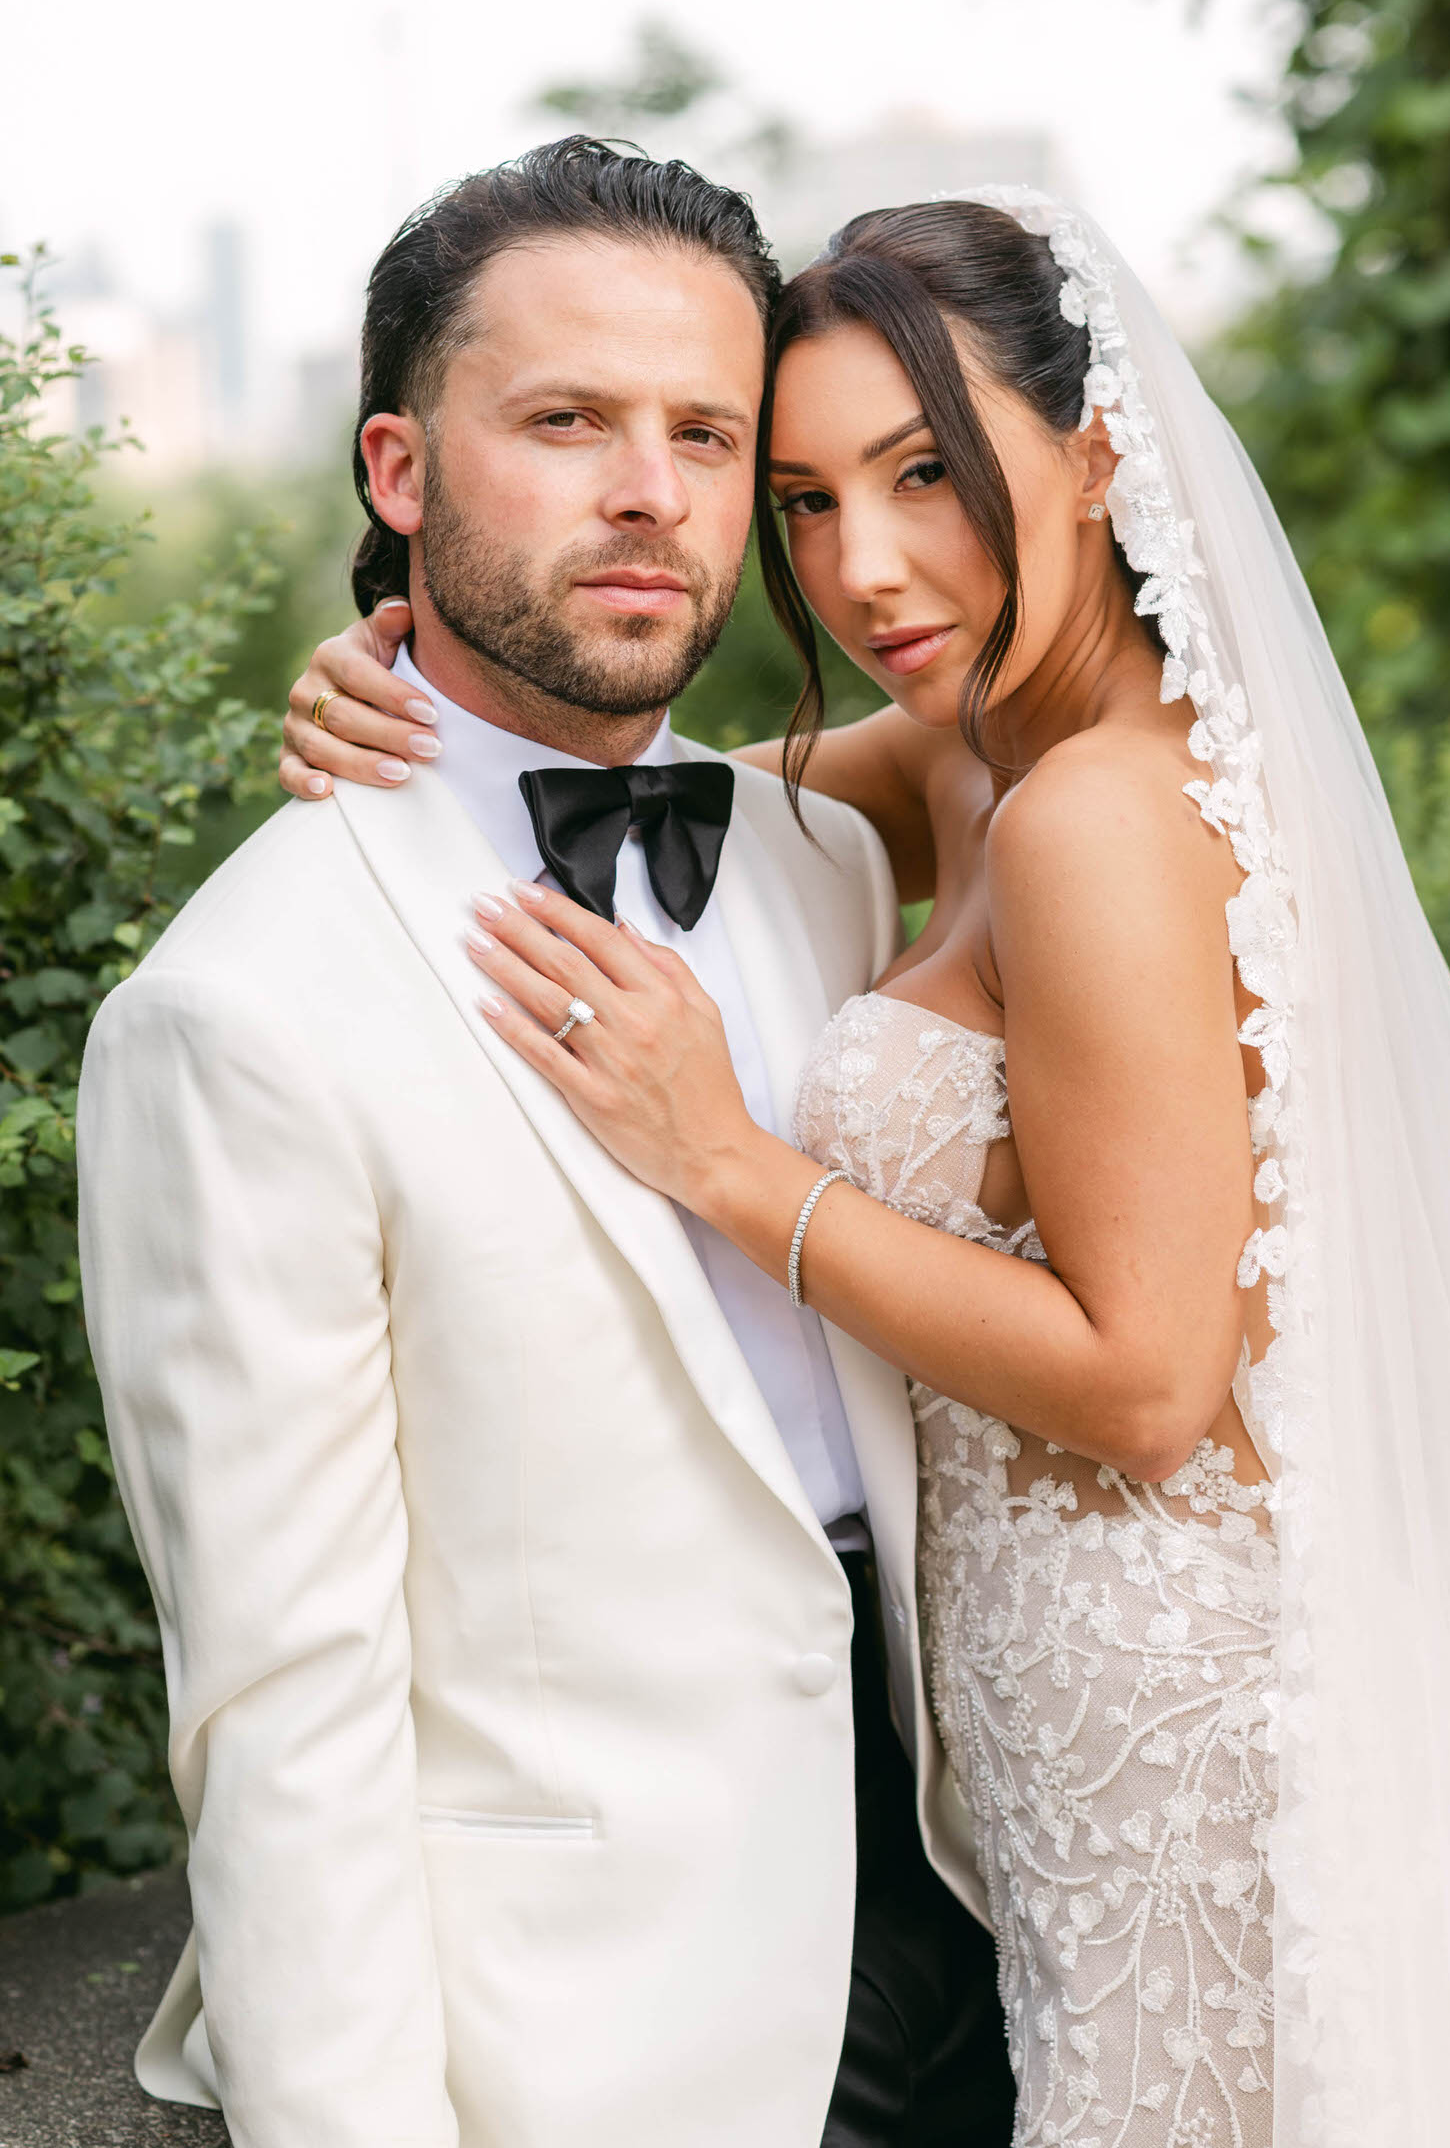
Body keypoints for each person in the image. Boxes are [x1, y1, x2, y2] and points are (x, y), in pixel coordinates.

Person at [288, 184, 1450, 2145]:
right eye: (803, 499)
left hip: (1173, 1732)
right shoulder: (977, 746)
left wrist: (727, 1163)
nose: (863, 569)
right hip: (1040, 1733)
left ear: (1097, 454)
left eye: (928, 473)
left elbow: (1148, 1380)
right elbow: (658, 802)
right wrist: (395, 682)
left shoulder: (1092, 818)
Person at [76, 140, 1014, 2148]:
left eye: (706, 434)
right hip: (603, 2033)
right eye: (568, 422)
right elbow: (282, 1707)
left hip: (996, 1904)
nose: (651, 493)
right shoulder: (237, 1013)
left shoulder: (828, 856)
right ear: (400, 470)